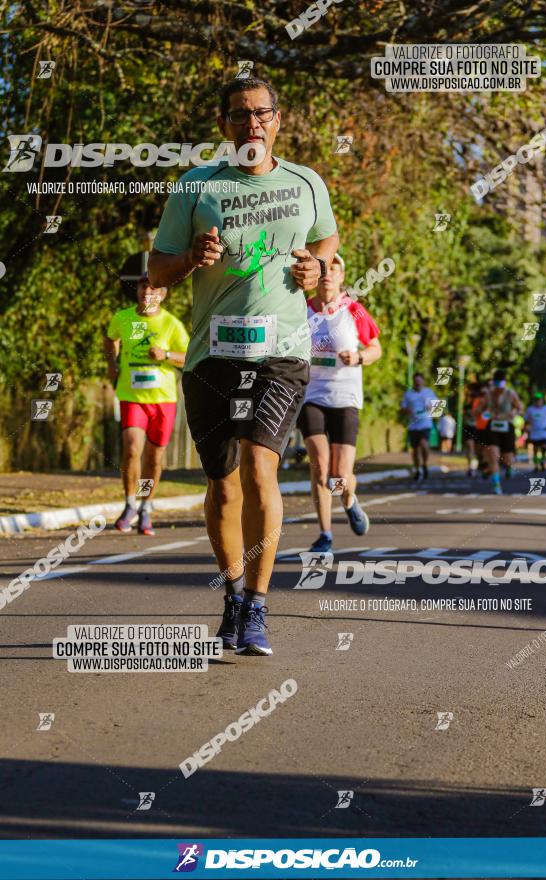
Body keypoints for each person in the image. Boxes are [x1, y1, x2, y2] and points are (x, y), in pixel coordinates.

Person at [148, 77, 338, 655]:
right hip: (210, 354)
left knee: (260, 468)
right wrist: (188, 259)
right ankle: (232, 591)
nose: (251, 122)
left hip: (281, 351)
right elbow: (156, 271)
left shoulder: (306, 182)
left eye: (262, 113)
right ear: (222, 124)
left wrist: (318, 273)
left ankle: (257, 605)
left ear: (279, 119)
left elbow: (327, 248)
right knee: (222, 484)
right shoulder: (195, 187)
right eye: (239, 115)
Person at [297, 253, 381, 552]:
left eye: (334, 269)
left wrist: (359, 357)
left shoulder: (354, 311)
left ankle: (349, 499)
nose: (328, 274)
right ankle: (325, 535)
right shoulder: (302, 310)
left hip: (345, 397)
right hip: (312, 396)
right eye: (324, 268)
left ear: (342, 277)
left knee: (339, 476)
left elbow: (375, 348)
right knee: (320, 469)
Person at [104, 274, 190, 535]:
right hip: (132, 396)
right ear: (137, 290)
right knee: (131, 448)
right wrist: (112, 363)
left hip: (163, 400)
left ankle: (146, 506)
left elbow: (188, 357)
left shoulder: (171, 324)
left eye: (153, 288)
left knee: (154, 458)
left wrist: (166, 355)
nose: (147, 291)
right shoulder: (123, 318)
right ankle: (130, 504)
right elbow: (110, 339)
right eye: (143, 286)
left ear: (162, 294)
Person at [474, 369, 522, 494]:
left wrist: (514, 412)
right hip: (493, 426)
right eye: (497, 382)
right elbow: (479, 409)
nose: (499, 385)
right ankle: (496, 483)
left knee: (507, 458)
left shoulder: (511, 393)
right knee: (493, 455)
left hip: (507, 425)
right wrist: (479, 412)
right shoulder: (488, 394)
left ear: (504, 382)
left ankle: (509, 466)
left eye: (501, 382)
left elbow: (520, 408)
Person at [401, 373, 437, 480]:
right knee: (415, 450)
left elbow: (437, 406)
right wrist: (408, 411)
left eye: (419, 380)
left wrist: (431, 407)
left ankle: (425, 464)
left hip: (426, 422)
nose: (417, 383)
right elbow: (403, 407)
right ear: (413, 382)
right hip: (413, 425)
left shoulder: (429, 392)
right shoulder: (408, 394)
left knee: (424, 444)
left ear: (423, 381)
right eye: (415, 381)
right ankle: (417, 469)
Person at [524, 392, 546, 473]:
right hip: (534, 433)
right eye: (536, 400)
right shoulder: (530, 409)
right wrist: (526, 429)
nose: (538, 401)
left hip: (544, 432)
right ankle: (536, 465)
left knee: (544, 447)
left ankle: (543, 462)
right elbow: (526, 420)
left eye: (539, 400)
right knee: (535, 450)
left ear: (542, 400)